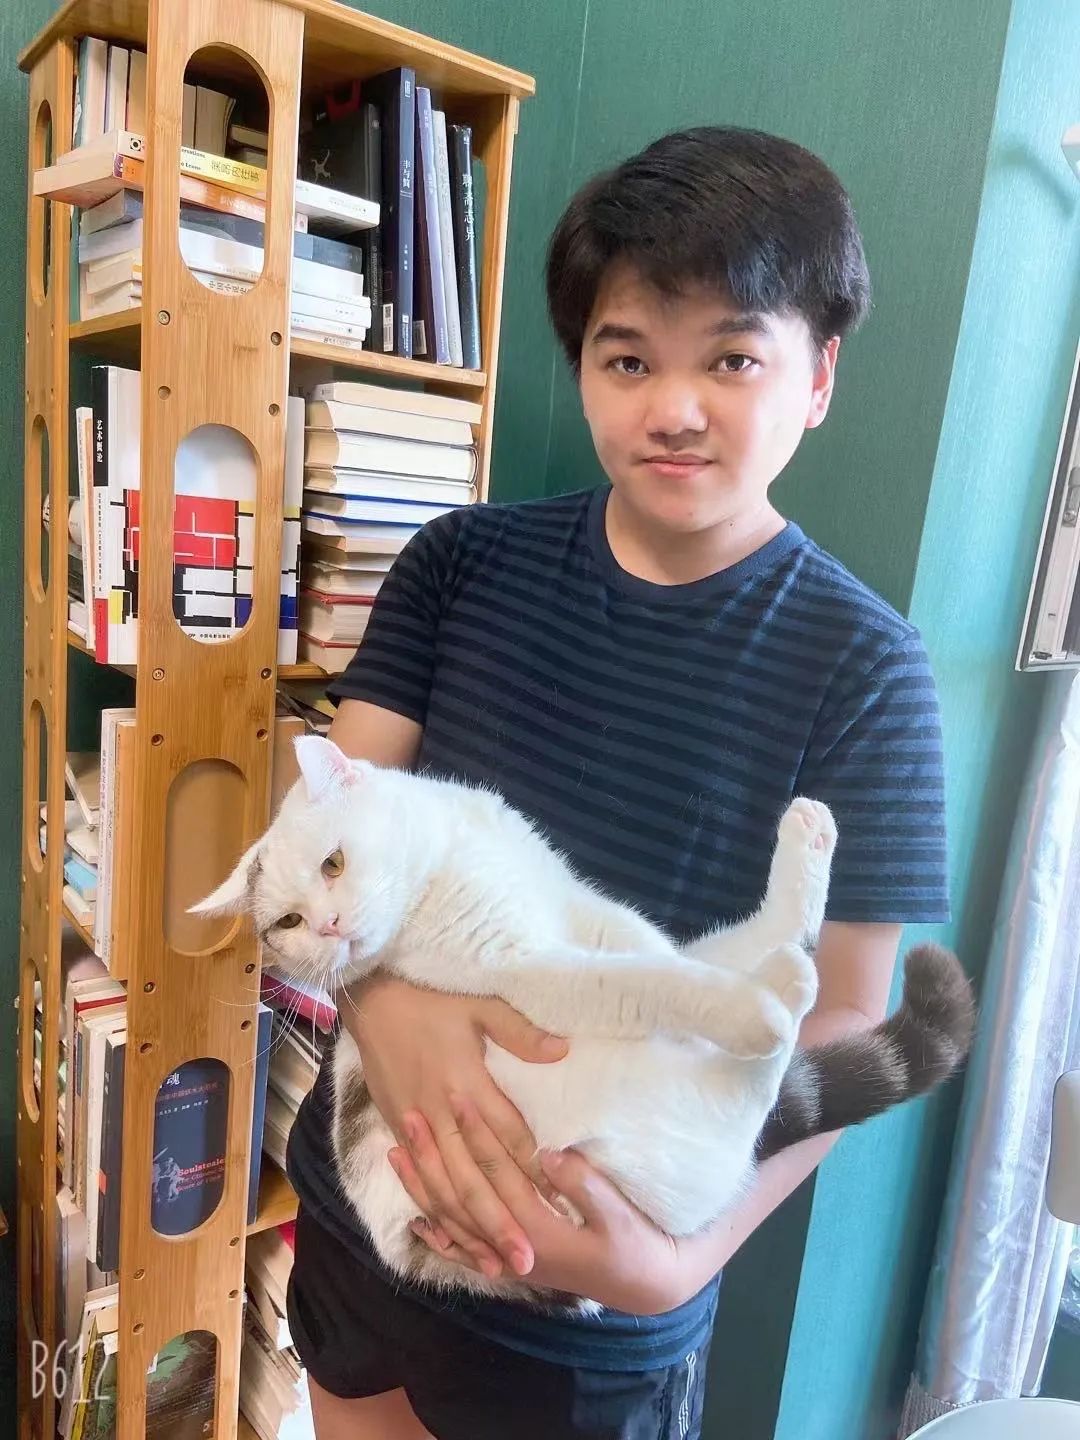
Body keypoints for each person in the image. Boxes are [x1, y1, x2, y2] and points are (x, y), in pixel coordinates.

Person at [284, 125, 950, 1440]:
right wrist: (387, 1006)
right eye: (628, 356)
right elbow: (331, 828)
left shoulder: (868, 670)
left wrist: (683, 1258)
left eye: (732, 358)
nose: (673, 406)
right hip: (365, 1203)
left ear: (818, 376)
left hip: (584, 1295)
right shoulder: (456, 566)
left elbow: (848, 1012)